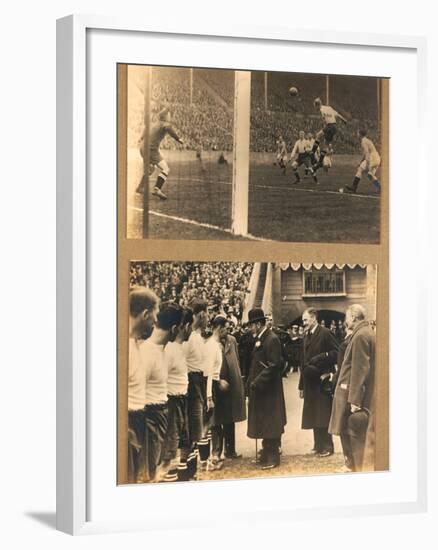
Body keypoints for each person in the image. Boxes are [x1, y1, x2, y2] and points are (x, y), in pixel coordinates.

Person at [329, 305, 376, 472]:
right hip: (350, 391)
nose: (344, 321)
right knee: (348, 428)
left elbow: (359, 370)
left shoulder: (361, 336)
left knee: (349, 428)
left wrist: (355, 400)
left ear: (354, 318)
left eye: (347, 318)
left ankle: (354, 465)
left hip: (351, 394)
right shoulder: (363, 333)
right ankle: (352, 463)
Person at [141, 302, 183, 482]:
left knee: (156, 471)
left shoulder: (163, 351)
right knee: (146, 475)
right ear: (174, 328)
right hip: (148, 419)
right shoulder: (147, 353)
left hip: (159, 415)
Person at [246, 308, 287, 470]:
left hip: (269, 391)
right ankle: (266, 452)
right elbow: (255, 364)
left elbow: (274, 365)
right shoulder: (262, 338)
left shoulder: (272, 339)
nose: (250, 329)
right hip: (261, 390)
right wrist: (250, 383)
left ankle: (273, 457)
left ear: (257, 324)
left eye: (251, 325)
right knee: (264, 421)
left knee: (271, 422)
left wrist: (257, 382)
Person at [127, 287, 160, 483]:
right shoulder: (123, 348)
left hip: (139, 420)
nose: (156, 323)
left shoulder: (134, 345)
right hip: (129, 424)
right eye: (154, 317)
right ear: (145, 314)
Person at [299, 308, 339, 457]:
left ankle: (328, 446)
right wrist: (301, 385)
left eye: (306, 320)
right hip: (310, 381)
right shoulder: (306, 336)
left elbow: (337, 352)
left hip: (322, 381)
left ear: (314, 318)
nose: (304, 323)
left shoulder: (325, 333)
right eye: (303, 320)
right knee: (314, 413)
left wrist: (322, 357)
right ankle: (318, 444)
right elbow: (302, 362)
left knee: (323, 413)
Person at [160, 307, 193, 482]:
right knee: (171, 447)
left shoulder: (181, 348)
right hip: (172, 402)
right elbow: (162, 379)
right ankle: (169, 480)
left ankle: (183, 478)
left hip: (182, 399)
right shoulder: (170, 350)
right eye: (190, 326)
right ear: (184, 327)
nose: (191, 330)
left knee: (184, 442)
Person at [211, 316, 246, 463]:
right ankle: (216, 452)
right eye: (226, 328)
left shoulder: (232, 340)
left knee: (230, 418)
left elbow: (236, 360)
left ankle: (230, 450)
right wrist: (218, 380)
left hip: (231, 384)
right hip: (217, 386)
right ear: (219, 328)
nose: (228, 331)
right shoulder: (211, 344)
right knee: (217, 420)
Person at [136, 108, 184, 200]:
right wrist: (178, 139)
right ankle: (157, 189)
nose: (170, 117)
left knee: (150, 169)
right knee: (166, 169)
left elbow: (146, 129)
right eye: (169, 115)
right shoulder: (165, 124)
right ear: (166, 116)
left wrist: (141, 138)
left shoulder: (154, 124)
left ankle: (140, 188)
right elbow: (168, 128)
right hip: (151, 149)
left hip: (143, 148)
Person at [311, 97, 347, 171]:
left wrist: (324, 128)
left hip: (329, 126)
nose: (315, 109)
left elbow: (325, 120)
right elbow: (338, 114)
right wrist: (344, 120)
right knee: (326, 145)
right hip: (334, 127)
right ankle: (320, 162)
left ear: (317, 105)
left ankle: (312, 152)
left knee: (318, 135)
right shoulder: (329, 108)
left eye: (315, 107)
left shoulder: (321, 110)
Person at [344, 128, 381, 194]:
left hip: (372, 157)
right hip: (376, 157)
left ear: (360, 134)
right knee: (370, 175)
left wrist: (367, 162)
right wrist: (361, 161)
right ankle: (379, 188)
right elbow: (366, 153)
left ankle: (354, 187)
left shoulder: (363, 141)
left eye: (358, 133)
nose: (357, 134)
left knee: (360, 169)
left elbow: (367, 153)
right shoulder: (367, 140)